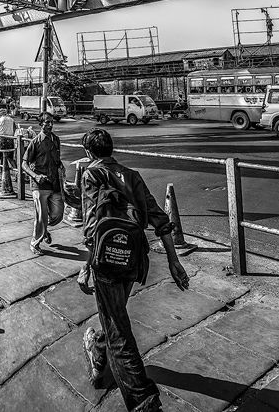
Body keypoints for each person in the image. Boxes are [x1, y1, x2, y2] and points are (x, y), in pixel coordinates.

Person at [77, 128, 189, 412]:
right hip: (134, 258)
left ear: (89, 153)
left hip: (107, 259)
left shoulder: (91, 174)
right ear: (111, 150)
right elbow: (161, 220)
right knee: (116, 313)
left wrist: (85, 266)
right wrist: (175, 262)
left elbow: (92, 226)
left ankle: (143, 401)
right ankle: (98, 348)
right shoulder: (133, 175)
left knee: (119, 332)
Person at [22, 112, 65, 254]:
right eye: (47, 122)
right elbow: (24, 164)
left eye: (51, 122)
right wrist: (35, 175)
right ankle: (35, 243)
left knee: (58, 214)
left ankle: (44, 228)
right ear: (40, 124)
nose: (50, 125)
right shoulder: (35, 142)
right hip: (39, 185)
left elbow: (57, 160)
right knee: (41, 216)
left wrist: (61, 167)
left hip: (55, 183)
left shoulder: (56, 140)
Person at [0, 108, 18, 199]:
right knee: (11, 158)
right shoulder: (11, 119)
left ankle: (3, 176)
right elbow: (15, 129)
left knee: (2, 158)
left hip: (2, 139)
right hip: (10, 140)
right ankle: (17, 174)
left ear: (0, 114)